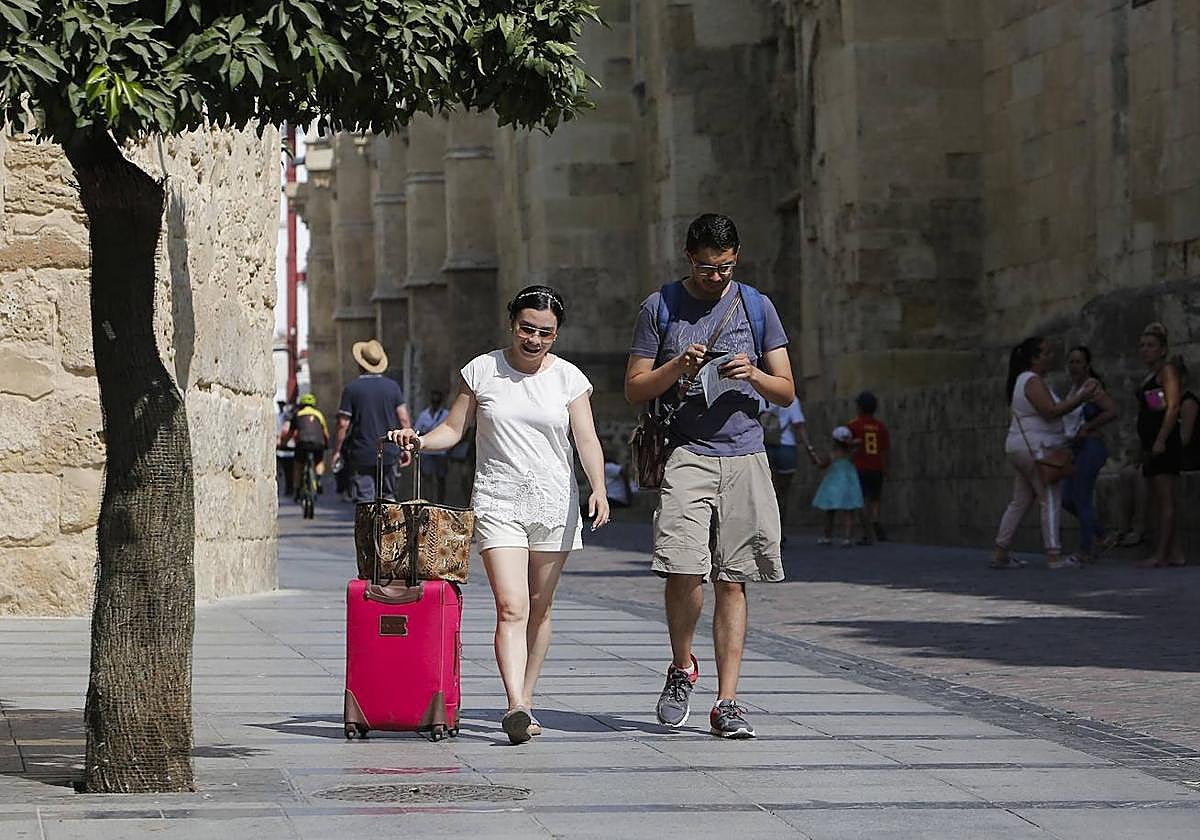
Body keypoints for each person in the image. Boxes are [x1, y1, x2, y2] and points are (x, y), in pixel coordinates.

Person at [389, 285, 610, 745]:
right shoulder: (482, 370)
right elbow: (453, 429)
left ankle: (527, 698)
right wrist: (420, 441)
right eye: (527, 329)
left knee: (540, 608)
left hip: (554, 503)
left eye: (545, 332)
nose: (534, 339)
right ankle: (515, 705)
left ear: (556, 334)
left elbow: (586, 439)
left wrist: (600, 489)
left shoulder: (569, 378)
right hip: (498, 501)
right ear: (512, 324)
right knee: (512, 606)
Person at [624, 213, 795, 739]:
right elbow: (634, 387)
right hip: (686, 453)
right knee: (682, 569)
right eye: (706, 268)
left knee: (733, 577)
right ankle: (682, 667)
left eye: (725, 267)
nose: (716, 277)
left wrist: (754, 374)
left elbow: (787, 390)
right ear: (688, 257)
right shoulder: (660, 306)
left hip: (745, 454)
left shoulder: (757, 306)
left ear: (736, 258)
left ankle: (727, 701)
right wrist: (677, 366)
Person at [992, 337, 1098, 570]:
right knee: (1050, 498)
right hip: (1037, 449)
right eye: (1046, 353)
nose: (1051, 357)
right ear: (1034, 358)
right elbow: (1050, 411)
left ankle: (1001, 551)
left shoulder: (1024, 380)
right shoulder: (1032, 381)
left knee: (1020, 501)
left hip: (1022, 447)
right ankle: (1053, 554)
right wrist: (1081, 398)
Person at [330, 339, 412, 502]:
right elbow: (403, 418)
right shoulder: (393, 387)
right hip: (389, 450)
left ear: (360, 364)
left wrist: (337, 450)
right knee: (389, 498)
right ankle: (388, 518)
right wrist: (406, 448)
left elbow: (343, 424)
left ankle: (368, 519)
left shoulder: (351, 389)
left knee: (365, 500)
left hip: (362, 452)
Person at [1060, 347, 1118, 564]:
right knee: (1067, 498)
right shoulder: (1073, 390)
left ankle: (1085, 549)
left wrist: (1088, 427)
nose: (1074, 366)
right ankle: (1102, 535)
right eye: (1071, 362)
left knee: (1081, 497)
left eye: (1078, 362)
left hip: (1091, 446)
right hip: (1076, 449)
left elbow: (1111, 410)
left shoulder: (1091, 386)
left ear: (1087, 365)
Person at [1134, 323, 1184, 568]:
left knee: (1165, 500)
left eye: (1151, 345)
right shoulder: (1150, 376)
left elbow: (1172, 406)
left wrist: (1161, 439)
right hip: (1151, 444)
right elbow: (1154, 407)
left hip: (1163, 444)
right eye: (1142, 346)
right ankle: (1175, 552)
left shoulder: (1167, 371)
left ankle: (1161, 554)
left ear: (1163, 349)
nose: (1145, 350)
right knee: (1158, 499)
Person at [761, 396, 818, 544]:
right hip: (786, 447)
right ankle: (781, 531)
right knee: (783, 494)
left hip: (764, 447)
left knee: (768, 492)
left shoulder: (760, 394)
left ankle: (769, 532)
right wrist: (810, 450)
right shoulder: (790, 397)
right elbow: (798, 425)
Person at [846, 391, 890, 544]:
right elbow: (885, 450)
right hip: (877, 467)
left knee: (863, 500)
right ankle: (875, 519)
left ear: (859, 408)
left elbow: (847, 447)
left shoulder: (853, 425)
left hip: (861, 468)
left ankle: (867, 532)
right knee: (876, 498)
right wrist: (886, 468)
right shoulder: (880, 427)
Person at [811, 426, 865, 548]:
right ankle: (847, 538)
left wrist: (814, 456)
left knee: (830, 511)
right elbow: (860, 443)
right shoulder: (851, 453)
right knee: (848, 511)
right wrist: (850, 443)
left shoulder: (833, 454)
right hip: (849, 483)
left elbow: (822, 465)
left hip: (833, 484)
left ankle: (827, 536)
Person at [280, 393, 329, 499]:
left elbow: (290, 433)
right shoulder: (318, 414)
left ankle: (297, 490)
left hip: (302, 443)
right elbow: (325, 432)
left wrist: (283, 444)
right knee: (319, 461)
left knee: (298, 465)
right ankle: (318, 480)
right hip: (318, 444)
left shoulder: (298, 414)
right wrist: (326, 444)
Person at [414, 390, 451, 501]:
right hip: (427, 451)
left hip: (441, 452)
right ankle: (428, 501)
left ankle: (440, 502)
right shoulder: (424, 415)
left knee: (441, 479)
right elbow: (417, 430)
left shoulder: (446, 415)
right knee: (427, 478)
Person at [603, 443, 633, 508]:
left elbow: (623, 473)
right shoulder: (606, 467)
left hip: (615, 498)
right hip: (615, 498)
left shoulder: (608, 467)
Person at [275, 399, 295, 497]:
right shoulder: (277, 416)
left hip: (288, 447)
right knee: (281, 471)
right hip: (280, 447)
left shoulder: (287, 417)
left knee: (288, 471)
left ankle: (289, 489)